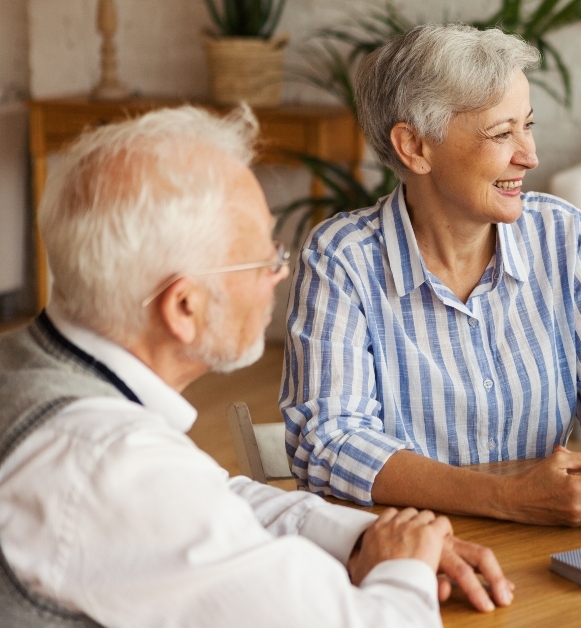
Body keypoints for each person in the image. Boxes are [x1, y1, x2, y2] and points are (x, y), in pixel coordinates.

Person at [0, 106, 513, 627]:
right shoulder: (109, 465)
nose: (279, 271)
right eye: (263, 257)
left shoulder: (32, 370)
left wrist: (365, 539)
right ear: (184, 307)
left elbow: (208, 496)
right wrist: (403, 568)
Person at [280, 23, 581, 527]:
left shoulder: (560, 235)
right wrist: (508, 498)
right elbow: (331, 440)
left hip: (546, 542)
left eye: (528, 125)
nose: (530, 155)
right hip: (413, 552)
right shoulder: (342, 259)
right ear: (415, 147)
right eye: (502, 133)